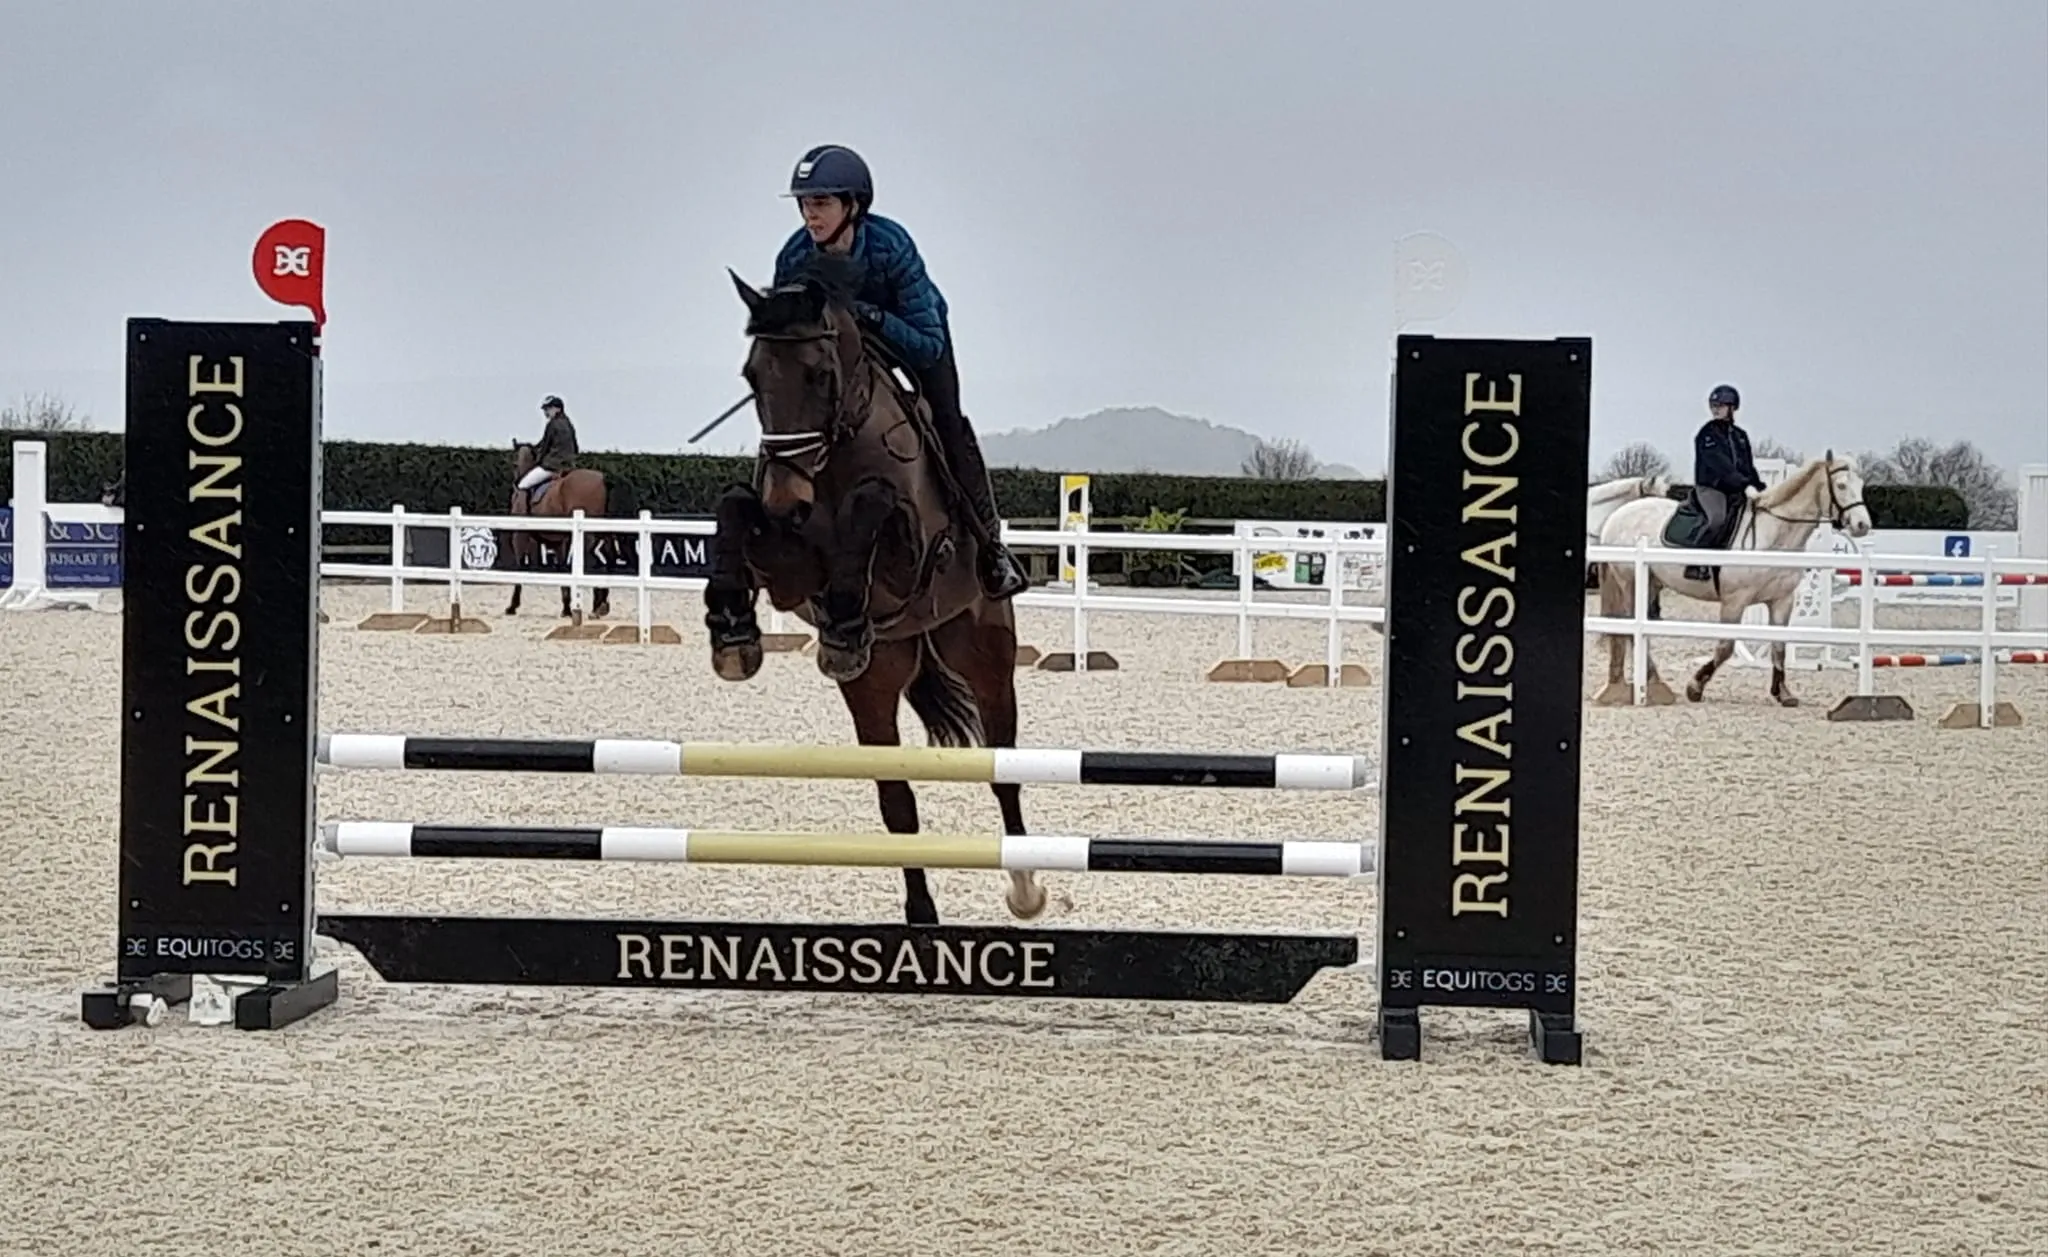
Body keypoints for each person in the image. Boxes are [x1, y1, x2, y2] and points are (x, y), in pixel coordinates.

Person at [769, 143, 1029, 600]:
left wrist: (865, 316)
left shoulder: (892, 246)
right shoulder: (793, 257)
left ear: (853, 205)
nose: (811, 216)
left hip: (912, 338)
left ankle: (992, 549)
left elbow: (926, 345)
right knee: (791, 415)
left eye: (823, 203)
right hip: (843, 354)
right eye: (806, 204)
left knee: (949, 423)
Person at [1685, 383, 1765, 580]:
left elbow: (1747, 465)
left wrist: (1758, 485)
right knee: (1716, 518)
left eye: (1720, 405)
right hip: (1711, 488)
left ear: (1732, 408)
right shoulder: (1707, 435)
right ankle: (1695, 563)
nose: (1716, 409)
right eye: (1714, 406)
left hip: (1735, 488)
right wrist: (1743, 484)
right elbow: (1720, 465)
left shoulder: (1740, 436)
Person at [518, 395, 579, 507]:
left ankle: (521, 513)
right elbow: (575, 447)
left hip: (552, 466)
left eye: (548, 408)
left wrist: (538, 462)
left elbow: (544, 447)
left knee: (523, 484)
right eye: (545, 409)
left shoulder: (552, 424)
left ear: (558, 409)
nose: (546, 412)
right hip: (570, 466)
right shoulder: (569, 424)